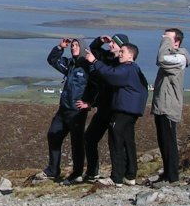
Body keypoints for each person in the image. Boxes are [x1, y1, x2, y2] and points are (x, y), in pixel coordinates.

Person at [84, 38, 149, 186]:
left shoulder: (127, 68)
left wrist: (94, 62)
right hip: (131, 109)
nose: (119, 54)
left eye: (122, 52)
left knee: (116, 141)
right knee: (127, 140)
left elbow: (111, 75)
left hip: (123, 109)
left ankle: (116, 177)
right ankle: (130, 175)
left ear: (130, 56)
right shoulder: (134, 69)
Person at [40, 38, 92, 181]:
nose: (73, 47)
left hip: (77, 112)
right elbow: (52, 60)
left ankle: (77, 173)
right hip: (63, 109)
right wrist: (60, 47)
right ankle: (53, 169)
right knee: (53, 134)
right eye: (72, 45)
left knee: (77, 142)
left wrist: (90, 103)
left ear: (82, 48)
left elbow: (97, 86)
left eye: (76, 45)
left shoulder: (88, 66)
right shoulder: (70, 64)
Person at [151, 28, 190, 183]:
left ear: (176, 41)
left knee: (169, 141)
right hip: (162, 105)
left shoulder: (180, 58)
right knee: (163, 141)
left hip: (169, 106)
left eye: (167, 38)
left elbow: (161, 59)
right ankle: (167, 173)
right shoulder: (173, 56)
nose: (163, 40)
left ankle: (172, 176)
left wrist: (165, 42)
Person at [76, 35, 119, 181]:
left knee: (117, 142)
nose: (111, 45)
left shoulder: (122, 63)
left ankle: (121, 174)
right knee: (89, 138)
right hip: (103, 107)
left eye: (114, 43)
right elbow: (94, 49)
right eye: (111, 42)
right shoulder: (107, 57)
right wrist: (100, 40)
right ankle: (92, 172)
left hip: (114, 108)